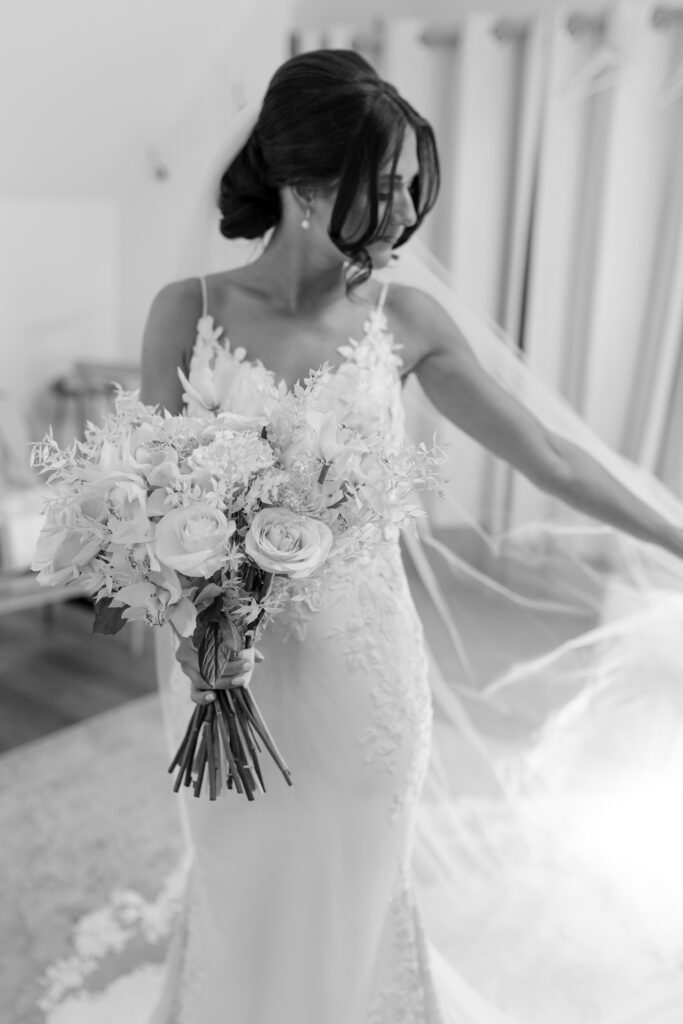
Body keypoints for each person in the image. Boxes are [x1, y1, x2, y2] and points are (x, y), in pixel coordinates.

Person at [140, 50, 683, 1024]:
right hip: (230, 674)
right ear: (303, 182)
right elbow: (151, 509)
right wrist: (193, 630)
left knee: (353, 883)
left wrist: (675, 533)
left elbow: (548, 456)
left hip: (364, 688)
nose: (401, 214)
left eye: (406, 187)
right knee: (239, 871)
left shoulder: (408, 322)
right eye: (380, 186)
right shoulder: (187, 312)